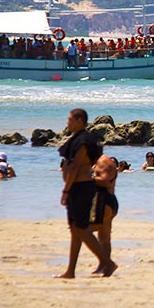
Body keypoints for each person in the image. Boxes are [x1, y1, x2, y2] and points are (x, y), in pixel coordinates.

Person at [56, 108, 117, 278]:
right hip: (78, 187)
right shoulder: (77, 139)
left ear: (79, 120)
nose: (67, 123)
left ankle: (107, 262)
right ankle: (71, 271)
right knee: (75, 230)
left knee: (81, 229)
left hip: (80, 187)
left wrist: (66, 190)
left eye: (70, 119)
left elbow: (75, 167)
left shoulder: (83, 141)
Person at [90, 152, 119, 275]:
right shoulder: (99, 163)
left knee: (83, 231)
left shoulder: (103, 163)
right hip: (108, 200)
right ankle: (105, 266)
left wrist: (86, 177)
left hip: (104, 200)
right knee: (104, 237)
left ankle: (107, 263)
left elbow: (105, 181)